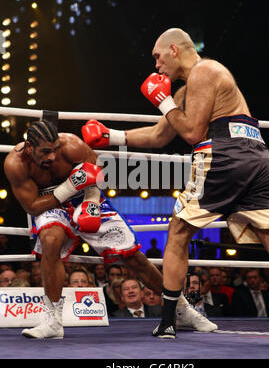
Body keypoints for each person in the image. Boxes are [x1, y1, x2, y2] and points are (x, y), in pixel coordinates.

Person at [82, 27, 269, 338]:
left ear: (173, 50)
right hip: (255, 157)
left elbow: (193, 133)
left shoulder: (204, 71)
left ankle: (169, 320)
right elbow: (160, 135)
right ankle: (173, 318)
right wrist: (112, 137)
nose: (156, 66)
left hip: (225, 155)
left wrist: (163, 101)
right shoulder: (189, 90)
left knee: (179, 230)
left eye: (158, 57)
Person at [4, 119, 212, 339]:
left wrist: (91, 201)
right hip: (48, 201)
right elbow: (32, 206)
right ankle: (52, 321)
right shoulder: (15, 164)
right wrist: (68, 187)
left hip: (84, 193)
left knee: (133, 257)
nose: (52, 157)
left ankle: (181, 309)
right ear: (29, 148)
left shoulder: (71, 145)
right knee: (50, 240)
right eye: (45, 152)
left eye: (54, 150)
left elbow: (95, 169)